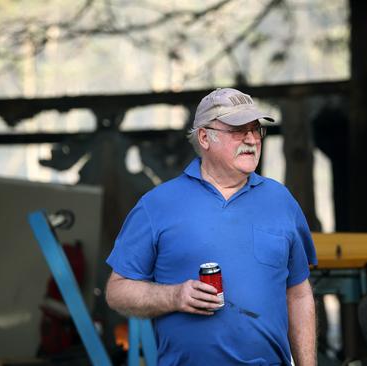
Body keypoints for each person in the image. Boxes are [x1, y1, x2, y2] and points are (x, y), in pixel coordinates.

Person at [105, 87, 318, 365]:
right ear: (205, 137)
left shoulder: (280, 201)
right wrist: (174, 296)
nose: (252, 139)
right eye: (238, 130)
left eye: (256, 130)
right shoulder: (158, 204)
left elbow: (299, 294)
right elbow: (117, 291)